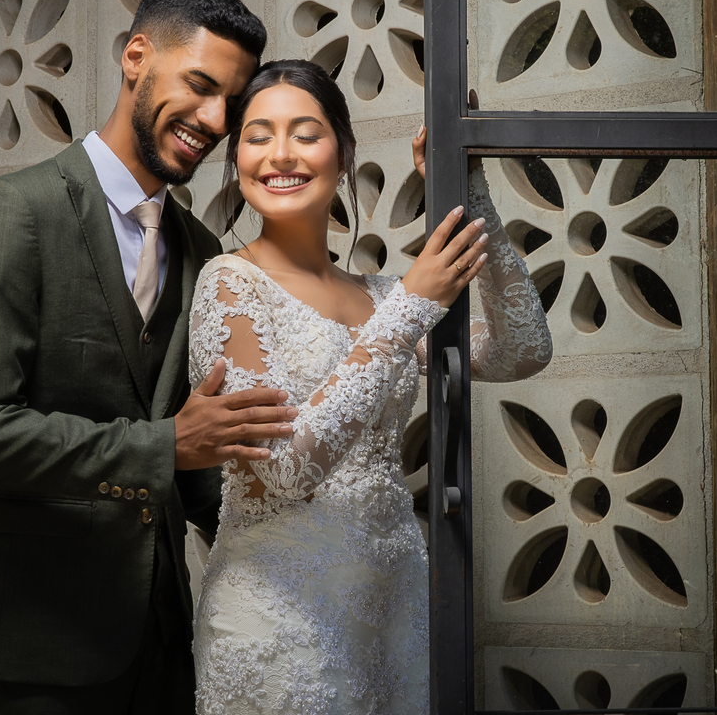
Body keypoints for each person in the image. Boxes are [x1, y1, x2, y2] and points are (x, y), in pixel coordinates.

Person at [0, 0, 297, 715]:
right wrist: (163, 445)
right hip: (33, 630)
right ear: (136, 57)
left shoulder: (202, 250)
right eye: (200, 86)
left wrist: (312, 544)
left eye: (231, 102)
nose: (216, 120)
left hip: (164, 636)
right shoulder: (15, 211)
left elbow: (197, 465)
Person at [189, 59, 553, 714]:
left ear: (344, 153)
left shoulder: (380, 295)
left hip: (394, 611)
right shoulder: (228, 284)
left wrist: (472, 194)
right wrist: (412, 306)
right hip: (278, 622)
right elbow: (284, 470)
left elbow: (521, 349)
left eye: (305, 134)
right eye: (257, 136)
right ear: (237, 158)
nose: (279, 155)